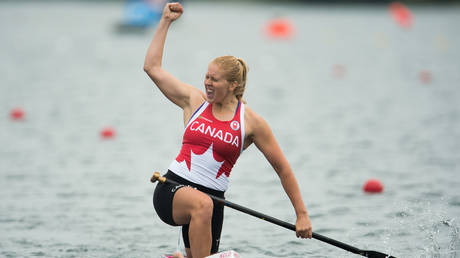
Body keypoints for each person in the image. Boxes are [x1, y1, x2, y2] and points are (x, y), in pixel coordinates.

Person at [144, 2, 312, 258]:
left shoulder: (251, 123)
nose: (207, 83)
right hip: (172, 190)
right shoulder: (194, 101)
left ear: (233, 85)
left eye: (214, 79)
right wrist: (165, 21)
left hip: (214, 203)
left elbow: (283, 169)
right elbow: (152, 68)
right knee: (202, 205)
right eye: (206, 76)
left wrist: (301, 215)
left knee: (203, 215)